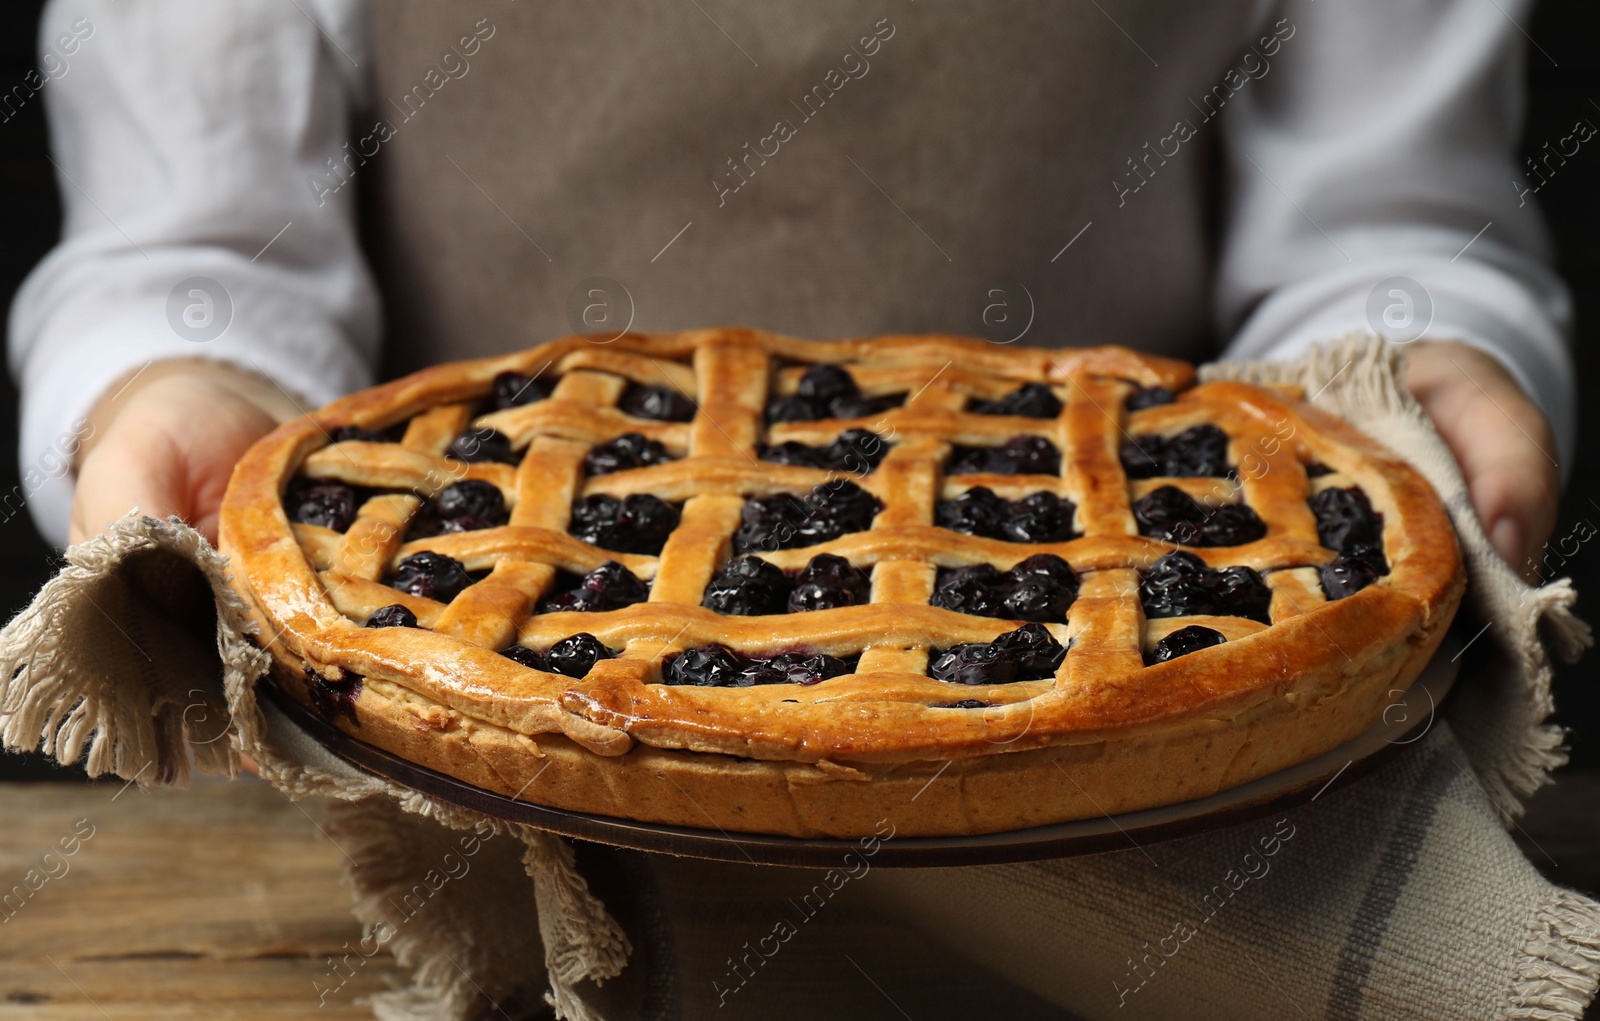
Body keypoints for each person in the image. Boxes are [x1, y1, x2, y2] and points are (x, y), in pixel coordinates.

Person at [6, 0, 1577, 1016]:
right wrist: (175, 376)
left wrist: (1422, 355)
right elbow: (198, 244)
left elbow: (1387, 221)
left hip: (1167, 778)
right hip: (472, 831)